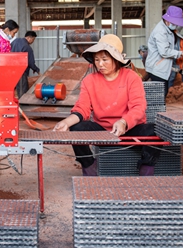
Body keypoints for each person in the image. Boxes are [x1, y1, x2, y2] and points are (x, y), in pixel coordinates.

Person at [53, 34, 159, 177]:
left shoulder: (131, 77)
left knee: (156, 130)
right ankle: (89, 165)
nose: (100, 64)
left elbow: (138, 107)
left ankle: (146, 169)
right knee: (76, 128)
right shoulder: (89, 81)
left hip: (130, 128)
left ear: (116, 59)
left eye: (104, 59)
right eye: (97, 60)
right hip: (103, 129)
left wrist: (124, 122)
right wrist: (66, 122)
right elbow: (82, 107)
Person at [145, 5, 183, 97]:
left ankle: (158, 110)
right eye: (175, 23)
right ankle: (154, 111)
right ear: (167, 21)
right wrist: (181, 53)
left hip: (163, 67)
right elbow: (164, 52)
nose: (176, 25)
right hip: (157, 68)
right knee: (159, 96)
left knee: (162, 94)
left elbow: (175, 31)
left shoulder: (168, 27)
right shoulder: (161, 31)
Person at [11, 30, 40, 97]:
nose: (33, 41)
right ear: (29, 38)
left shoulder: (16, 40)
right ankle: (22, 104)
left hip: (10, 69)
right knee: (22, 90)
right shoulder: (27, 47)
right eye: (33, 39)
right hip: (20, 71)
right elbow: (31, 62)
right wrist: (37, 70)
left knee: (12, 88)